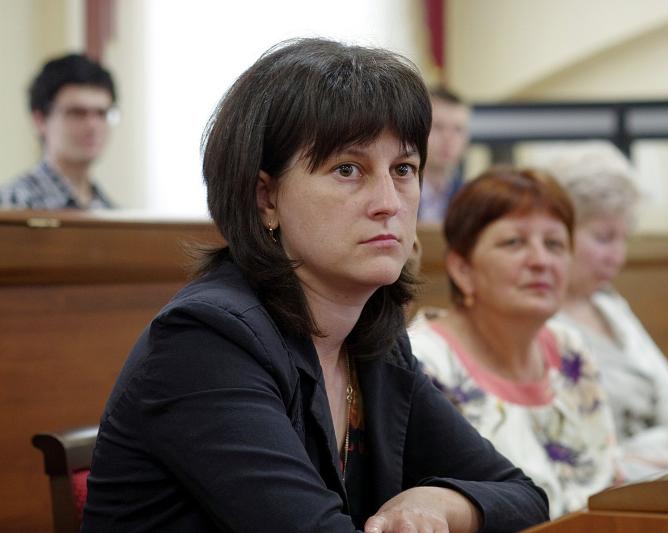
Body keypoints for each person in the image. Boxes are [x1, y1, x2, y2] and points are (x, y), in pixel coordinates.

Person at [81, 38, 548, 532]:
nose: (389, 202)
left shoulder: (373, 339)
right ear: (266, 199)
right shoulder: (206, 340)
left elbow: (524, 499)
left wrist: (440, 502)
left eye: (403, 169)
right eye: (348, 169)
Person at [408, 167, 619, 518]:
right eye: (514, 243)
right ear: (462, 269)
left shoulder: (569, 348)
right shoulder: (422, 361)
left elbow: (607, 479)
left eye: (554, 244)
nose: (540, 261)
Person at [544, 143, 668, 479]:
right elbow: (574, 449)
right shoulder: (538, 321)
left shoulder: (610, 305)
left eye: (624, 239)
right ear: (556, 234)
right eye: (603, 238)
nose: (618, 257)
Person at [0, 53, 117, 209]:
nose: (92, 125)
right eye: (77, 113)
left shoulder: (111, 212)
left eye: (102, 113)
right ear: (40, 120)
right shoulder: (10, 205)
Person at [418, 86, 470, 223]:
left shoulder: (471, 199)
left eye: (458, 129)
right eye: (438, 127)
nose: (448, 138)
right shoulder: (395, 195)